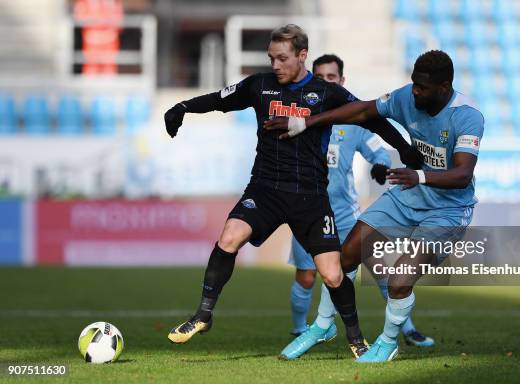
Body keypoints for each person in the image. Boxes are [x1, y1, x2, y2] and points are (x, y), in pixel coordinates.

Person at [163, 24, 422, 359]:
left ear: (302, 56)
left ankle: (356, 339)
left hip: (310, 197)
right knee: (229, 238)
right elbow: (218, 99)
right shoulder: (259, 86)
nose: (275, 65)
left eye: (282, 58)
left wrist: (404, 147)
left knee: (332, 274)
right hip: (266, 188)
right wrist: (182, 107)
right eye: (271, 58)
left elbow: (369, 117)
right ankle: (203, 314)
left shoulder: (324, 92)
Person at [266, 50, 483, 363]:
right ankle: (323, 325)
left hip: (447, 209)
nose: (415, 91)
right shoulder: (407, 96)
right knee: (346, 255)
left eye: (422, 87)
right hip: (408, 195)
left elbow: (462, 175)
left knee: (399, 278)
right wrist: (307, 122)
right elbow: (364, 111)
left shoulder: (467, 115)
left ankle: (388, 341)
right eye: (414, 84)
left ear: (444, 87)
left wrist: (419, 175)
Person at [283, 54, 434, 361]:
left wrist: (380, 167)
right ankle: (301, 329)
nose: (326, 82)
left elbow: (377, 152)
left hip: (344, 213)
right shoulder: (299, 120)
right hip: (308, 212)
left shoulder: (352, 122)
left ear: (342, 81)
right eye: (320, 77)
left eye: (332, 77)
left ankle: (407, 329)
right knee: (307, 276)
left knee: (379, 269)